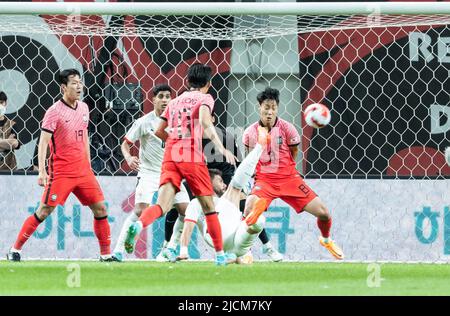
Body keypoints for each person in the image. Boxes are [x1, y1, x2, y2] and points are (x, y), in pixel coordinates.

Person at [124, 63, 237, 265]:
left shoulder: (175, 101)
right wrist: (221, 148)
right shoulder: (205, 98)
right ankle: (220, 255)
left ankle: (139, 225)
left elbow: (159, 131)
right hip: (191, 156)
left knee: (162, 205)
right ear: (208, 84)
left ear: (188, 81)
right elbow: (205, 122)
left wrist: (174, 140)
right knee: (209, 207)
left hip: (170, 155)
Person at [7, 69, 112, 262]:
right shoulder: (53, 112)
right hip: (62, 172)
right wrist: (42, 171)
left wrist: (88, 165)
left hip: (83, 171)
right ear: (63, 87)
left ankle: (106, 255)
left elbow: (84, 137)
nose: (79, 86)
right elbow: (43, 142)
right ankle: (15, 249)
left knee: (101, 209)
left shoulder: (84, 108)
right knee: (44, 211)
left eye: (80, 82)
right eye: (74, 82)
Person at [243, 87, 344, 260]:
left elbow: (294, 152)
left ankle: (326, 239)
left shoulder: (287, 128)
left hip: (290, 179)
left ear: (278, 108)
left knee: (324, 213)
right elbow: (248, 159)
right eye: (266, 107)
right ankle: (246, 250)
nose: (270, 111)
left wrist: (288, 170)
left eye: (273, 107)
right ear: (259, 107)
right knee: (249, 210)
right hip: (265, 181)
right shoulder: (250, 133)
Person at [163, 126, 271, 264]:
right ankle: (259, 147)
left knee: (253, 223)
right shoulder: (206, 202)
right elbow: (188, 224)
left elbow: (188, 224)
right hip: (235, 239)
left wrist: (184, 251)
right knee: (243, 201)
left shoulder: (198, 203)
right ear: (209, 182)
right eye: (220, 181)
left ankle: (247, 226)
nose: (224, 184)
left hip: (223, 242)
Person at [112, 84, 190, 262]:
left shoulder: (176, 121)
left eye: (167, 97)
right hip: (148, 173)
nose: (164, 100)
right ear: (153, 99)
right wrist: (129, 158)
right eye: (161, 96)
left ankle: (169, 248)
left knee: (186, 210)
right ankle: (118, 251)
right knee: (140, 210)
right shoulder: (143, 122)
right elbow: (125, 144)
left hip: (170, 173)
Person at [0, 91, 20, 171]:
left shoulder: (12, 124)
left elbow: (15, 143)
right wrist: (7, 142)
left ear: (6, 103)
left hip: (10, 170)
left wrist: (11, 143)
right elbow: (10, 143)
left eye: (1, 102)